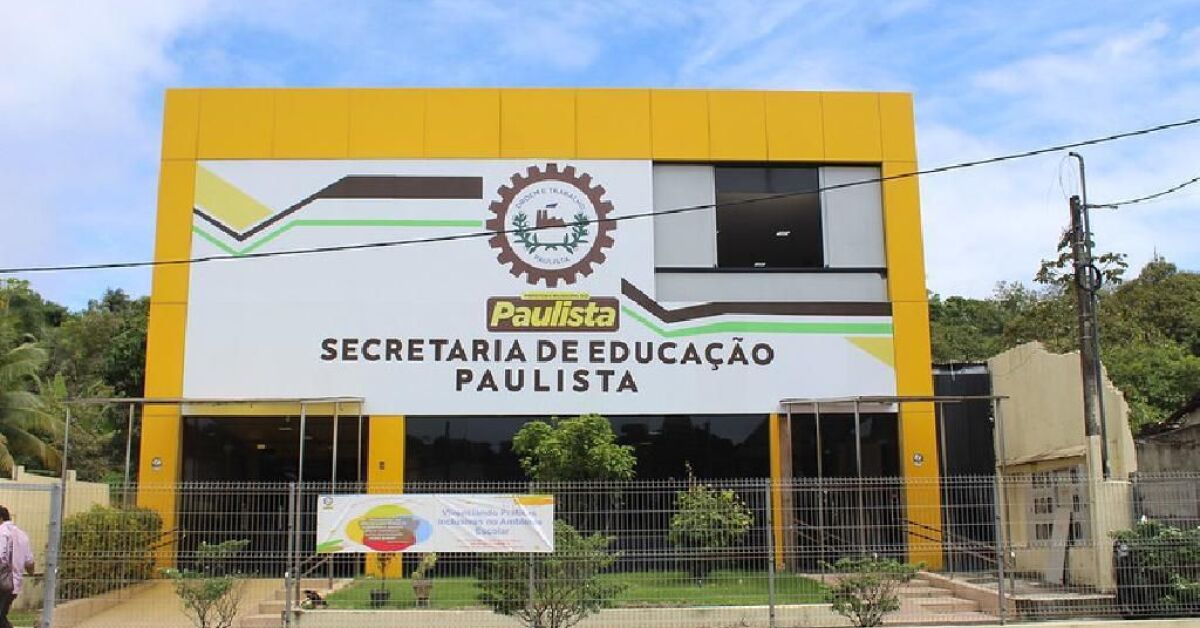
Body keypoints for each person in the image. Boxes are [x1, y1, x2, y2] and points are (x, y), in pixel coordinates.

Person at [0, 506, 34, 628]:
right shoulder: (22, 535)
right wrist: (31, 573)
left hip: (2, 583)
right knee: (1, 617)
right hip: (14, 586)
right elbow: (30, 563)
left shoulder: (1, 532)